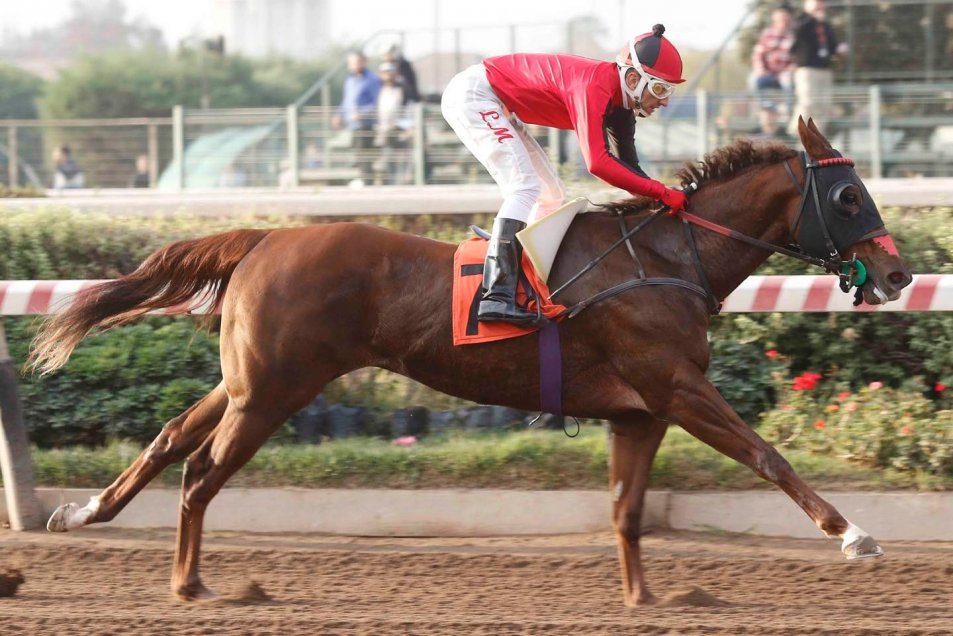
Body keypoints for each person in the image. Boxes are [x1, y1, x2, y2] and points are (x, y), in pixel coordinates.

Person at [441, 23, 687, 326]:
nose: (665, 101)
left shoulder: (622, 106)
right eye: (660, 89)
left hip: (499, 103)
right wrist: (662, 192)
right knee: (524, 187)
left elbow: (631, 171)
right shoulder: (594, 86)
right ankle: (497, 295)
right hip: (476, 95)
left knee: (551, 194)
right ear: (634, 79)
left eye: (669, 91)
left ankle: (523, 271)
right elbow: (598, 164)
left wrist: (664, 200)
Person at [789, 0, 847, 133]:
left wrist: (839, 49)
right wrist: (812, 17)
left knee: (823, 106)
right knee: (808, 102)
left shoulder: (824, 24)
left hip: (824, 69)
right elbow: (797, 32)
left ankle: (816, 139)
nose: (819, 5)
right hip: (807, 70)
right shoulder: (802, 19)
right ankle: (794, 132)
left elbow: (831, 45)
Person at [333, 51, 381, 188]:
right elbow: (346, 101)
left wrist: (362, 114)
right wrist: (339, 115)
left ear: (364, 62)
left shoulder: (371, 79)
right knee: (359, 154)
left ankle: (367, 183)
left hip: (366, 125)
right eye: (352, 63)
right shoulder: (350, 80)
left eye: (357, 62)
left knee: (364, 155)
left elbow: (376, 102)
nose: (354, 65)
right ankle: (365, 181)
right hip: (353, 125)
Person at [375, 61, 410, 184]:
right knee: (388, 160)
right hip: (385, 131)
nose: (388, 75)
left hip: (400, 130)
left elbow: (408, 110)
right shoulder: (379, 90)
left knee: (403, 161)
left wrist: (406, 126)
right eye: (385, 73)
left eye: (390, 72)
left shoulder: (403, 90)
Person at [750, 3, 795, 92]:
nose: (782, 18)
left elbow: (798, 58)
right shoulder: (767, 34)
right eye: (780, 15)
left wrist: (789, 70)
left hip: (787, 73)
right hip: (768, 73)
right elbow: (758, 55)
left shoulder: (794, 35)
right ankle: (766, 102)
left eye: (785, 15)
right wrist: (761, 70)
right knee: (753, 80)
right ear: (774, 17)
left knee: (788, 81)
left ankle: (789, 101)